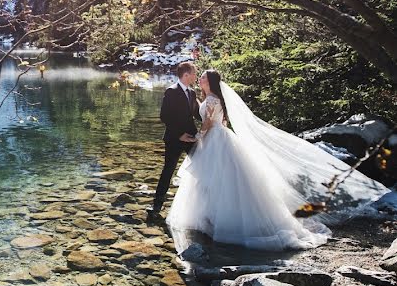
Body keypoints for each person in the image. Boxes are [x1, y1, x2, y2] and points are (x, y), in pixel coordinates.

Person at [166, 69, 391, 250]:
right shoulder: (210, 98)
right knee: (218, 180)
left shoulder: (213, 99)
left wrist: (197, 137)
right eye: (200, 76)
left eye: (203, 76)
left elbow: (208, 123)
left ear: (210, 82)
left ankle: (219, 222)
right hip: (220, 138)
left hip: (214, 139)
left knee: (218, 179)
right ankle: (211, 219)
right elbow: (219, 122)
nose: (200, 78)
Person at [150, 61, 201, 219]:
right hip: (174, 138)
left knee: (202, 166)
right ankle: (157, 204)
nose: (195, 76)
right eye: (194, 73)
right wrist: (180, 135)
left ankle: (200, 203)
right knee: (168, 170)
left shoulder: (192, 93)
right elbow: (164, 116)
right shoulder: (171, 91)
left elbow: (197, 115)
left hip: (191, 138)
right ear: (186, 75)